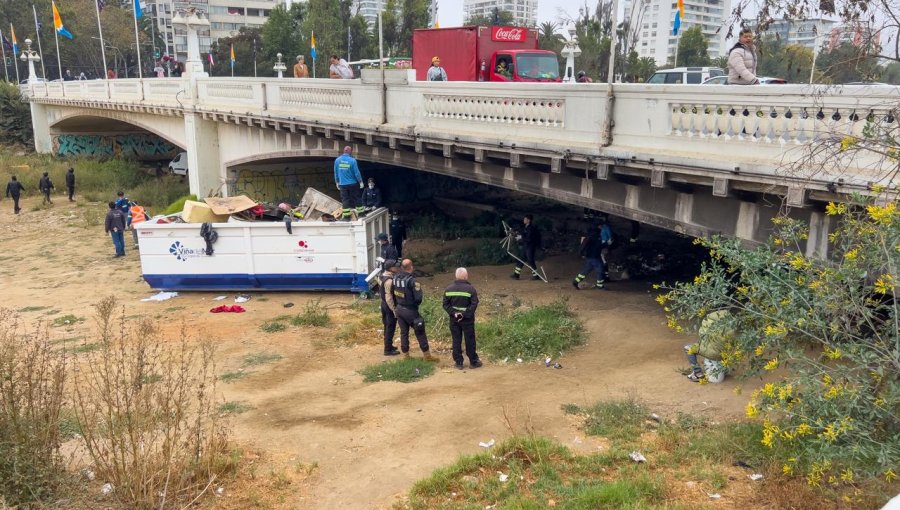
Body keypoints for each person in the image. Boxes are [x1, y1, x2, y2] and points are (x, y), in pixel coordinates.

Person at [392, 259, 438, 361]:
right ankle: (427, 356)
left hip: (399, 309)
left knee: (404, 333)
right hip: (410, 310)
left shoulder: (395, 278)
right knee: (420, 331)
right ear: (411, 267)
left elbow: (394, 293)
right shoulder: (413, 281)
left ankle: (406, 356)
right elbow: (418, 299)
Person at [443, 267, 482, 370]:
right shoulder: (471, 289)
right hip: (467, 320)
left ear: (456, 276)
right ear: (465, 276)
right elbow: (474, 304)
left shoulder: (448, 289)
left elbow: (445, 304)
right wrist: (464, 314)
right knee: (470, 340)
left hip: (454, 319)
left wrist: (454, 313)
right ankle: (473, 362)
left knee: (456, 340)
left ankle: (458, 363)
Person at [685, 310, 734, 382]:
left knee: (688, 348)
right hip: (724, 354)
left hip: (711, 354)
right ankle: (725, 370)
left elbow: (702, 335)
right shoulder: (732, 325)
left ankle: (697, 373)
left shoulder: (709, 321)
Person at [572, 219, 612, 290]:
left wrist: (582, 253)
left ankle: (576, 281)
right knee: (600, 269)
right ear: (599, 226)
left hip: (590, 256)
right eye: (601, 225)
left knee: (586, 270)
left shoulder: (592, 233)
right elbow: (598, 246)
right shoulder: (597, 235)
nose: (602, 227)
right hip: (595, 256)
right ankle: (600, 286)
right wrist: (606, 244)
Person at [333, 146, 364, 220]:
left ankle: (346, 217)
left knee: (345, 200)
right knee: (356, 198)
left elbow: (336, 172)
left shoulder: (337, 160)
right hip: (353, 183)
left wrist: (337, 182)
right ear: (350, 151)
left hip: (343, 184)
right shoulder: (352, 160)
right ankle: (361, 214)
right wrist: (360, 181)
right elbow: (356, 173)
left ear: (344, 151)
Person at [379, 259, 401, 356]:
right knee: (390, 327)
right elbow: (389, 298)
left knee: (386, 326)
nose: (397, 267)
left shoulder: (382, 276)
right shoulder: (389, 281)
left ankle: (388, 345)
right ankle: (387, 350)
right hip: (388, 306)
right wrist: (394, 310)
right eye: (395, 266)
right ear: (390, 268)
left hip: (383, 304)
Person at [510, 214, 541, 280]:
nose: (524, 220)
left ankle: (536, 276)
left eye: (525, 219)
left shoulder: (531, 228)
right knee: (521, 260)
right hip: (525, 246)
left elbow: (529, 238)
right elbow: (522, 233)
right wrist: (516, 234)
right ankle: (516, 275)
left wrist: (521, 237)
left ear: (528, 220)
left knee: (530, 261)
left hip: (530, 247)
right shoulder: (525, 227)